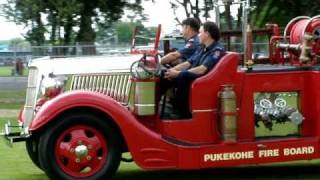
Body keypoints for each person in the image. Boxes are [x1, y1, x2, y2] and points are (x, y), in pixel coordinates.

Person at [161, 21, 225, 119]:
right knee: (164, 73)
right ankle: (160, 105)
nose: (198, 35)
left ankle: (182, 113)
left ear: (207, 34)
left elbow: (202, 69)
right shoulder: (202, 48)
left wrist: (177, 73)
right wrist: (171, 71)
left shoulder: (217, 50)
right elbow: (188, 63)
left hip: (206, 80)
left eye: (200, 32)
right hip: (198, 77)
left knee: (183, 76)